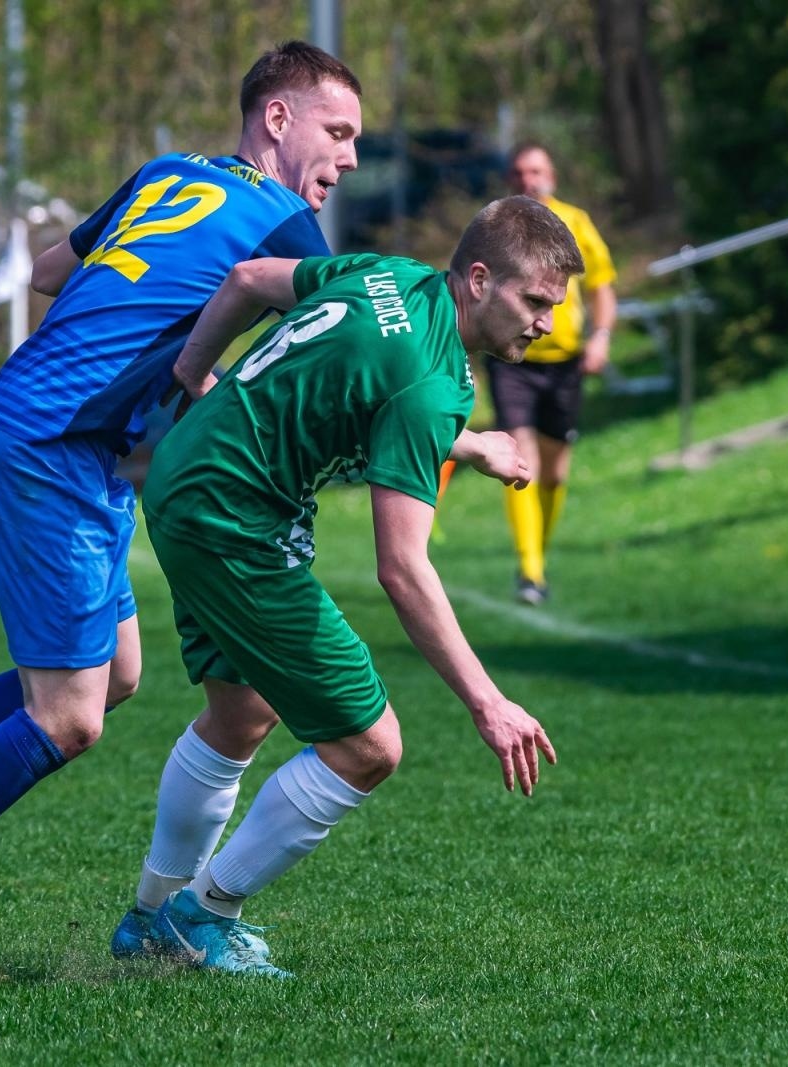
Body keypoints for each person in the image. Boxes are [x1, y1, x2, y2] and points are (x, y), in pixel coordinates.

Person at [0, 41, 524, 981]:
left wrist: (151, 320)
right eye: (338, 132)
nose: (348, 158)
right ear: (278, 119)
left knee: (113, 678)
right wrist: (184, 364)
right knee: (67, 717)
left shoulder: (167, 174)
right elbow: (304, 381)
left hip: (70, 437)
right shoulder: (286, 225)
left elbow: (46, 273)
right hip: (56, 441)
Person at [128, 195, 579, 976]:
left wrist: (192, 371)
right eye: (534, 300)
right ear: (478, 279)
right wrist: (488, 702)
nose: (544, 323)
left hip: (188, 475)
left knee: (241, 713)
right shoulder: (432, 383)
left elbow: (246, 280)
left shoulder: (390, 277)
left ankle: (148, 921)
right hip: (235, 520)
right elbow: (402, 568)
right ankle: (202, 915)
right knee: (369, 746)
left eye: (554, 307)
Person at [488, 143, 618, 604]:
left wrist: (600, 336)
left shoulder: (576, 222)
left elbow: (603, 286)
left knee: (555, 472)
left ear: (553, 175)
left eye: (537, 170)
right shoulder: (498, 224)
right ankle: (530, 570)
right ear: (511, 178)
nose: (529, 179)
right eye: (520, 172)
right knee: (523, 460)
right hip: (512, 358)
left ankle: (537, 552)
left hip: (566, 361)